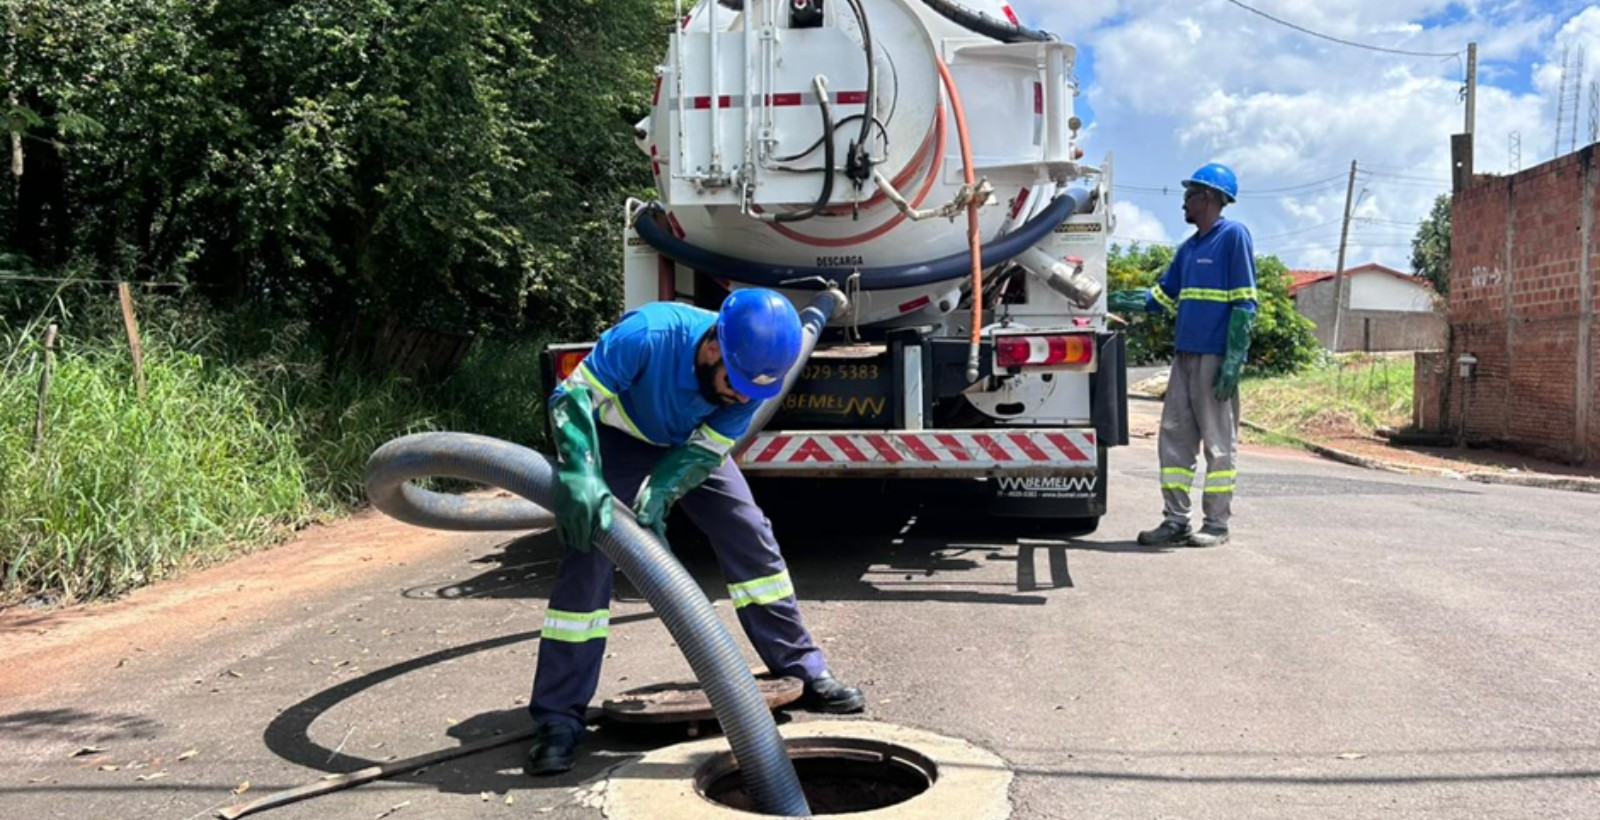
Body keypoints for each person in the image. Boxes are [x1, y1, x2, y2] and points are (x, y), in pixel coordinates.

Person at [526, 287, 865, 776]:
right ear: (711, 348)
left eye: (751, 391)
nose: (743, 397)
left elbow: (707, 448)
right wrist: (581, 471)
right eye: (735, 384)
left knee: (749, 531)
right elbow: (572, 396)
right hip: (615, 440)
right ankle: (558, 717)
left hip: (687, 445)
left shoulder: (752, 378)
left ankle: (802, 668)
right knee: (590, 546)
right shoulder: (649, 335)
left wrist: (662, 492)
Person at [1107, 163, 1256, 548]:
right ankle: (1176, 521)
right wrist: (1107, 297)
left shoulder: (1233, 236)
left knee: (1218, 444)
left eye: (1189, 195)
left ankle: (1217, 525)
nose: (1184, 203)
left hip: (1215, 358)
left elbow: (1245, 303)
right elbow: (1159, 298)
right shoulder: (1188, 249)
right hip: (1184, 357)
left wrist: (1233, 361)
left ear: (1208, 197)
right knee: (1174, 439)